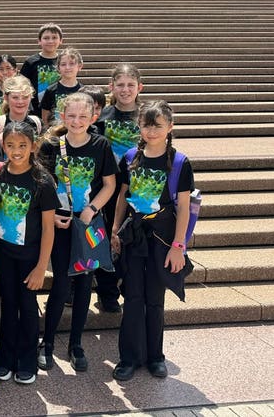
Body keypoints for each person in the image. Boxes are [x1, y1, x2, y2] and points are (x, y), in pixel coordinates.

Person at [111, 101, 194, 381]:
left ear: (170, 127)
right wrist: (114, 231)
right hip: (134, 236)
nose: (152, 130)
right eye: (147, 124)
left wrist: (178, 246)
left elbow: (183, 206)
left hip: (162, 239)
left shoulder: (180, 162)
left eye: (158, 125)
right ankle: (129, 357)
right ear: (139, 126)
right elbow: (123, 195)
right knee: (133, 296)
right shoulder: (132, 156)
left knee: (155, 298)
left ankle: (155, 356)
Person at [36, 92, 118, 372]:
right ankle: (46, 342)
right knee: (60, 282)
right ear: (62, 116)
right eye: (71, 116)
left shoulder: (100, 145)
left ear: (93, 117)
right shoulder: (50, 146)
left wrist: (92, 209)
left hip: (87, 225)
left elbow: (109, 184)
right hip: (61, 225)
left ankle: (76, 344)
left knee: (85, 283)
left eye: (83, 116)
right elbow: (42, 184)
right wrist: (52, 215)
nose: (77, 121)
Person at [0, 122, 57, 385]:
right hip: (3, 253)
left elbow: (49, 229)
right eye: (10, 145)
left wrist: (42, 266)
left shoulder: (42, 181)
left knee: (28, 305)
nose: (16, 151)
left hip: (30, 255)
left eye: (22, 145)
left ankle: (27, 359)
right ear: (3, 145)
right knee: (8, 303)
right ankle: (5, 356)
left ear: (33, 146)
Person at [95, 63, 144, 313]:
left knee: (132, 240)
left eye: (130, 85)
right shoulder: (103, 117)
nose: (125, 90)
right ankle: (107, 291)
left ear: (139, 87)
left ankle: (130, 286)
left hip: (140, 189)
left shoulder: (147, 116)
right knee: (106, 239)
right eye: (120, 85)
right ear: (111, 87)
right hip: (109, 188)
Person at [20, 23, 64, 116]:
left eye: (54, 37)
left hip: (59, 109)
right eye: (46, 38)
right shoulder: (31, 62)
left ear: (61, 41)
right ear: (39, 41)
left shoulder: (64, 61)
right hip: (35, 110)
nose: (50, 41)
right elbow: (22, 85)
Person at [41, 47, 84, 127]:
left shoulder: (83, 91)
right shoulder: (51, 90)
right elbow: (45, 117)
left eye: (72, 63)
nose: (67, 67)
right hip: (57, 134)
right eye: (63, 64)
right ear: (58, 68)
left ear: (80, 66)